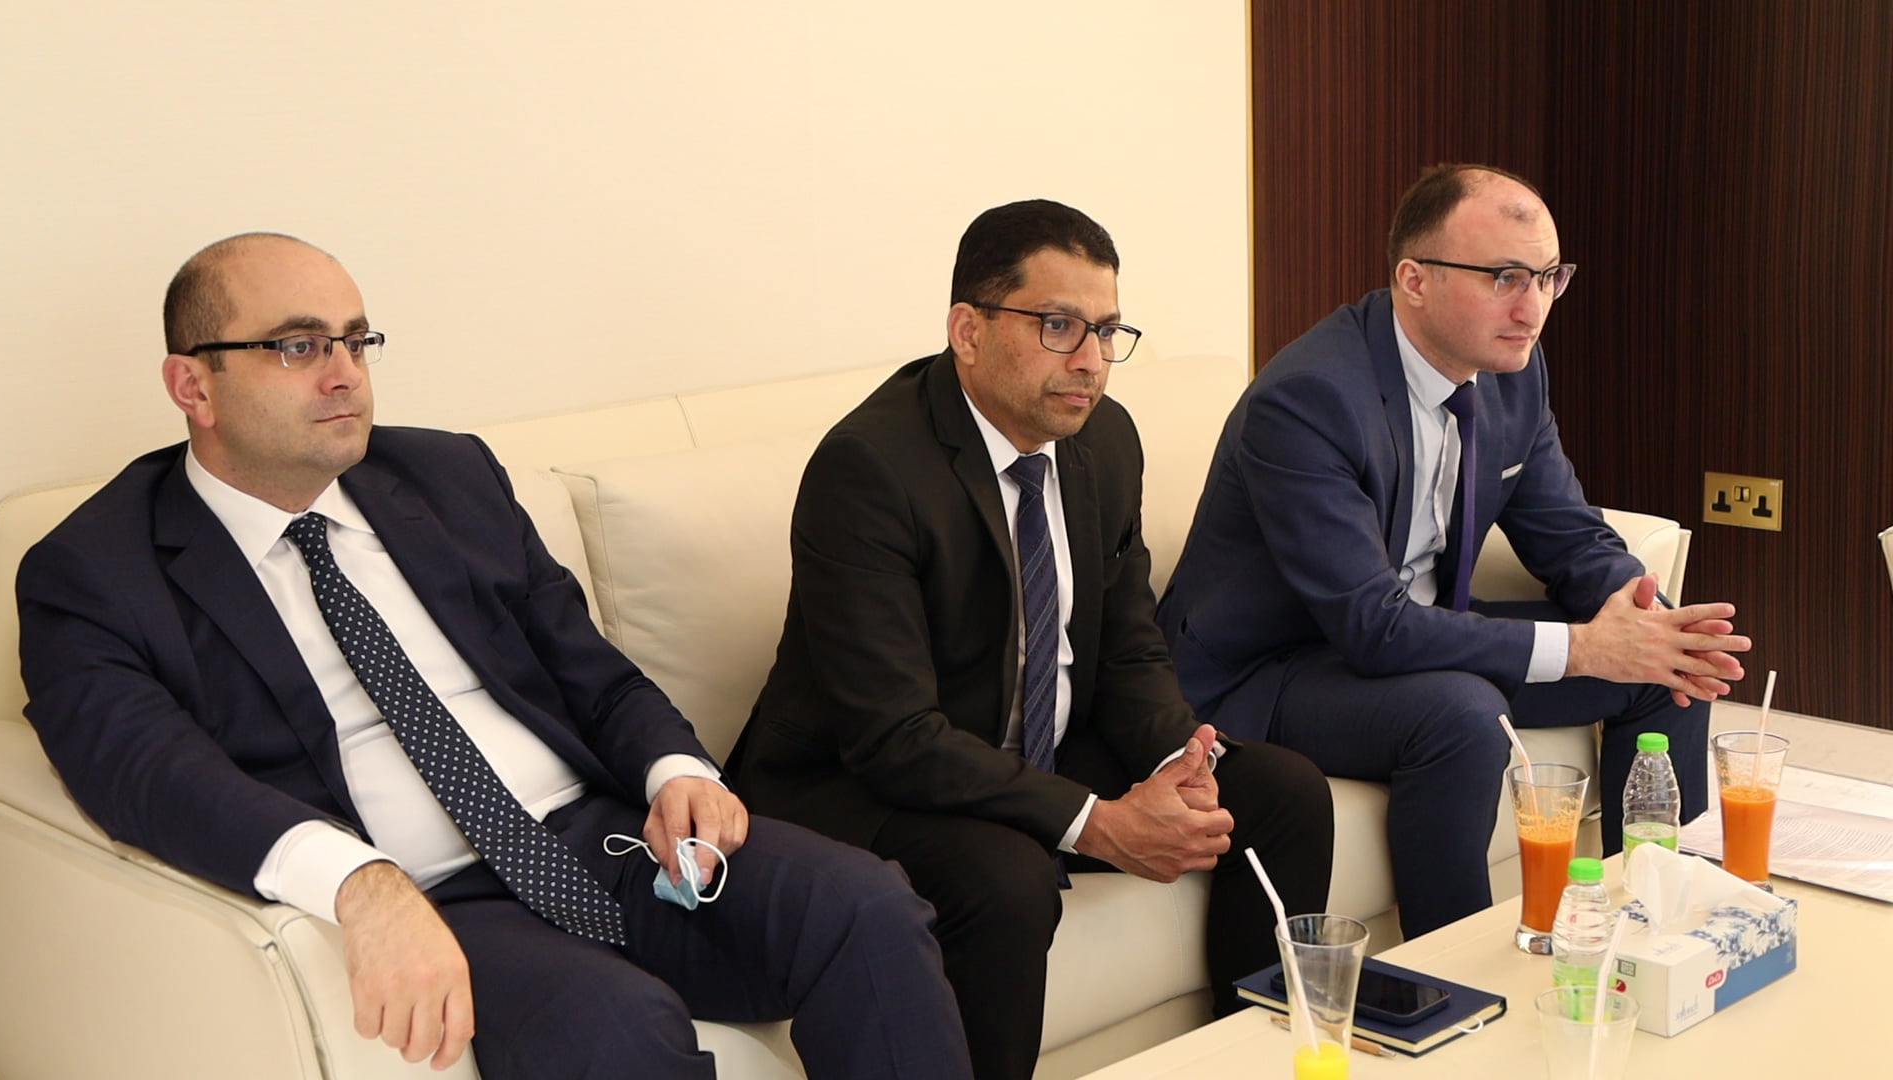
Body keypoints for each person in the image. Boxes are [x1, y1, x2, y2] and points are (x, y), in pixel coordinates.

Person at [16, 233, 970, 1080]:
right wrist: (359, 882)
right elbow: (147, 776)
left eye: (356, 340)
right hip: (436, 895)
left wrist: (675, 767)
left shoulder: (447, 476)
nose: (344, 374)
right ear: (193, 386)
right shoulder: (94, 572)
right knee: (616, 1029)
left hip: (603, 837)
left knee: (869, 907)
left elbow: (587, 666)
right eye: (300, 346)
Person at [726, 199, 1335, 1080]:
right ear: (968, 331)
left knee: (1282, 793)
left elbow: (1128, 647)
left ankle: (1247, 1062)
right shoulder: (869, 468)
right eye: (1058, 326)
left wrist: (1180, 760)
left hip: (1032, 745)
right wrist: (1097, 824)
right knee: (1006, 879)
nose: (1090, 361)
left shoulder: (1104, 440)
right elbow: (895, 737)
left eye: (1107, 331)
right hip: (858, 780)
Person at [1156, 164, 1751, 940]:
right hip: (1272, 670)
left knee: (1667, 661)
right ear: (1415, 280)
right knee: (1462, 714)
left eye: (1548, 277)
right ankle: (1447, 977)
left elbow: (1567, 531)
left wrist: (1634, 612)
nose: (1532, 307)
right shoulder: (1309, 398)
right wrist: (1583, 647)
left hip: (1413, 634)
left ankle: (1656, 924)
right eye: (1505, 278)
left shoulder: (1511, 370)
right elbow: (1372, 626)